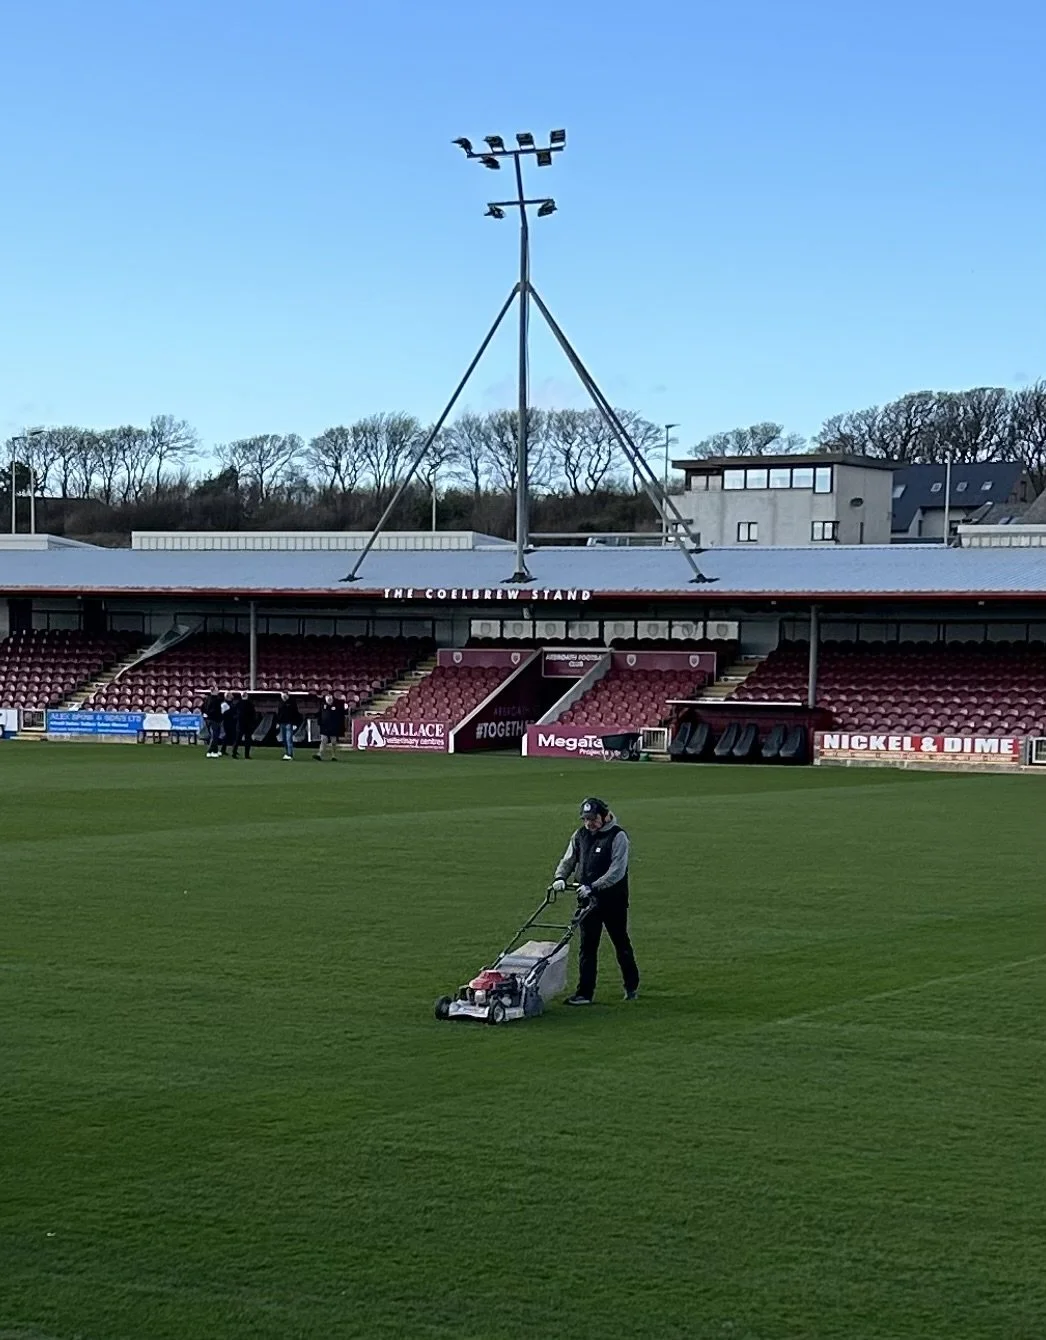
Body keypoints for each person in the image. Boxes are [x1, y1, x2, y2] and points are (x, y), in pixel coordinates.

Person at [551, 797, 640, 1006]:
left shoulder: (618, 836)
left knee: (621, 943)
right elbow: (569, 859)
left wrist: (594, 885)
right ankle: (584, 993)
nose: (589, 823)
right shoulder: (580, 835)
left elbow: (617, 871)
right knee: (587, 947)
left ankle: (631, 985)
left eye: (592, 819)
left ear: (604, 815)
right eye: (585, 819)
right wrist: (560, 877)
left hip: (613, 901)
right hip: (586, 900)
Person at [314, 693, 346, 761]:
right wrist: (319, 723)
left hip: (333, 727)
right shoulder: (323, 705)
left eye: (330, 699)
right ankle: (319, 754)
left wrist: (339, 726)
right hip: (324, 726)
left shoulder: (337, 706)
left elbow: (340, 716)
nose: (329, 701)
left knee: (333, 742)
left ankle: (334, 756)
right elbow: (320, 714)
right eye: (328, 700)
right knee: (323, 740)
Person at [276, 691, 301, 760]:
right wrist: (278, 722)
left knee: (288, 739)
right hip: (282, 723)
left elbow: (295, 713)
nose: (283, 697)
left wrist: (295, 723)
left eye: (284, 696)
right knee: (284, 740)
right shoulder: (280, 703)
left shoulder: (292, 703)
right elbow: (279, 713)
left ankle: (290, 754)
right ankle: (287, 753)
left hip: (289, 723)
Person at [201, 686, 225, 758]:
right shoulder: (217, 700)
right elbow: (217, 711)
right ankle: (210, 751)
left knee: (215, 735)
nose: (218, 691)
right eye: (217, 690)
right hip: (214, 719)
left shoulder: (207, 699)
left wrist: (205, 714)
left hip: (209, 719)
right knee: (214, 736)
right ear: (214, 691)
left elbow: (202, 708)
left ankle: (215, 750)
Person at [233, 692, 257, 759]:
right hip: (248, 725)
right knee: (247, 740)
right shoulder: (250, 704)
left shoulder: (238, 704)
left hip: (240, 724)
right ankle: (247, 755)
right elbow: (253, 715)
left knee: (237, 739)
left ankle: (234, 752)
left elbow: (234, 713)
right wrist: (253, 723)